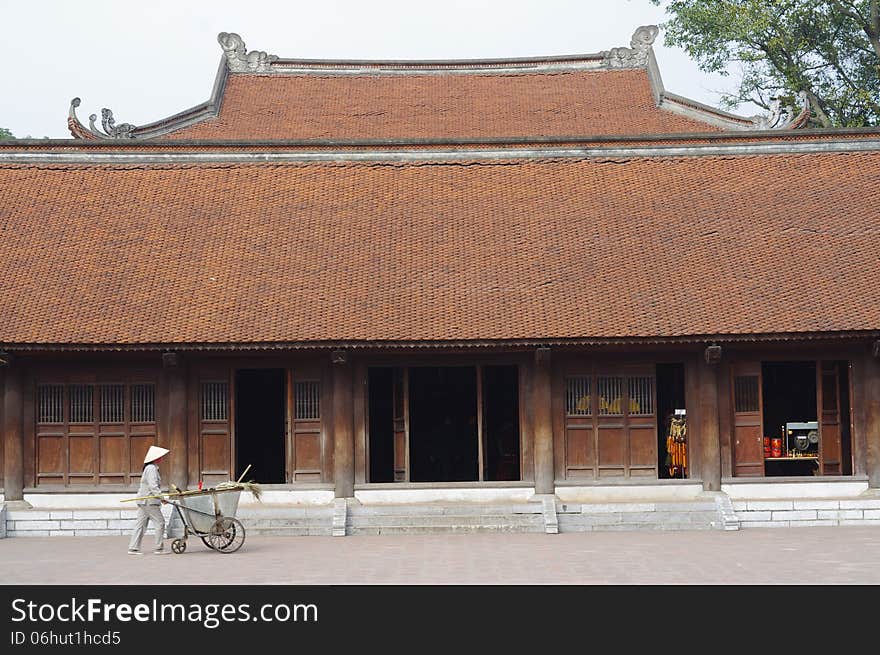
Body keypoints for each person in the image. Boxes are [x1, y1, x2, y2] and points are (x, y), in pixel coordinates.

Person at [127, 445, 170, 555]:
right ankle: (159, 548)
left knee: (140, 525)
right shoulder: (151, 468)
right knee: (160, 522)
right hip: (149, 501)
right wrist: (161, 498)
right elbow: (153, 486)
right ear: (155, 458)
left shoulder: (150, 468)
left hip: (144, 501)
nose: (162, 458)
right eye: (160, 456)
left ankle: (133, 548)